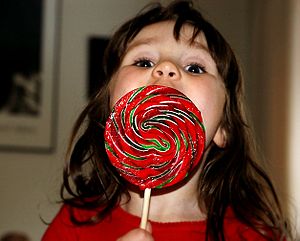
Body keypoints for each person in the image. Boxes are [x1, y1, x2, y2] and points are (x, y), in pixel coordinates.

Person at [42, 1, 292, 240]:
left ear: (223, 128)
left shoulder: (252, 235)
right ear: (111, 112)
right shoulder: (75, 222)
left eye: (195, 67)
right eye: (143, 62)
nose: (166, 67)